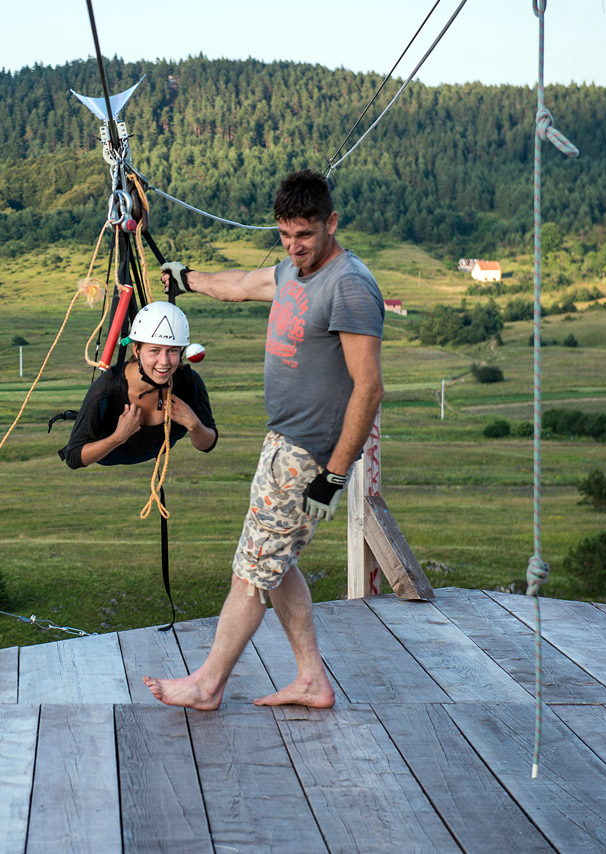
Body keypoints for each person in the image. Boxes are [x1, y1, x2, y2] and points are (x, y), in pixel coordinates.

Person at [144, 169, 384, 709]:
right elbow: (244, 284)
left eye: (306, 235)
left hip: (308, 455)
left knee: (251, 571)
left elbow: (369, 389)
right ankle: (311, 679)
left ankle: (207, 684)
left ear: (331, 223)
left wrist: (333, 475)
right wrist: (188, 278)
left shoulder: (348, 285)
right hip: (282, 445)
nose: (295, 246)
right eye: (286, 235)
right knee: (275, 564)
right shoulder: (293, 270)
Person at [58, 301, 217, 469]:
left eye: (172, 351)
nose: (164, 361)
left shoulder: (188, 383)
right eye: (154, 350)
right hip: (110, 455)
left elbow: (207, 444)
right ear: (136, 350)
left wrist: (194, 425)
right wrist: (118, 437)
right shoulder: (107, 388)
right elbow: (73, 457)